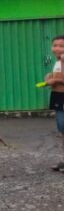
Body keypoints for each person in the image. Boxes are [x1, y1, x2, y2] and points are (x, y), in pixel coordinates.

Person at [46, 35, 64, 171]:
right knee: (61, 127)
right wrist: (49, 78)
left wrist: (55, 81)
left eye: (61, 46)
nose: (57, 48)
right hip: (58, 96)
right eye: (55, 45)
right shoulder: (58, 61)